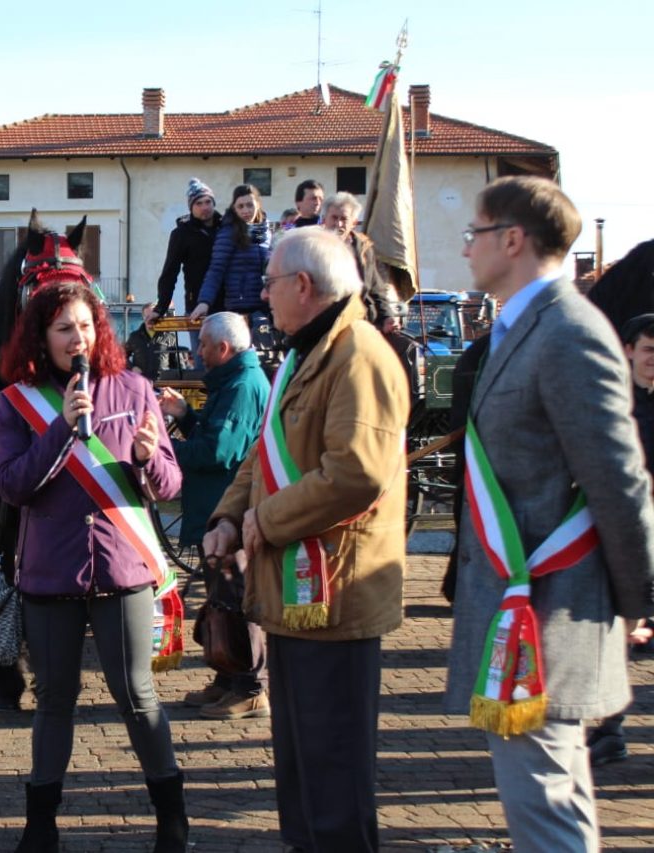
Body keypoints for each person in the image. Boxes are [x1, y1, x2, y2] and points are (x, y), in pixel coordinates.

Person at [444, 176, 654, 853]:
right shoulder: (518, 327)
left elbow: (617, 478)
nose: (466, 247)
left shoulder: (567, 330)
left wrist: (637, 598)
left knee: (547, 808)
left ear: (513, 239)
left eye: (476, 233)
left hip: (552, 610)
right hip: (521, 607)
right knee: (549, 801)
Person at [202, 227, 410, 852]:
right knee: (300, 772)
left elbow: (355, 472)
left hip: (337, 597)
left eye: (268, 283)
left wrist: (265, 521)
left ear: (302, 285)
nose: (262, 296)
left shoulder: (360, 354)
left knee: (334, 776)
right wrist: (229, 518)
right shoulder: (305, 352)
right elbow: (264, 457)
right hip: (295, 596)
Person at [0, 281, 188, 852]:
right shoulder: (15, 402)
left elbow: (170, 485)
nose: (77, 337)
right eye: (63, 329)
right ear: (41, 338)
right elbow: (10, 486)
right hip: (51, 574)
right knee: (54, 698)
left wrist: (150, 460)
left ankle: (171, 818)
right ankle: (41, 823)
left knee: (136, 693)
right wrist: (61, 429)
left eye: (84, 325)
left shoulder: (133, 388)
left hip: (122, 568)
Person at [157, 312, 269, 720]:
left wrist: (160, 452)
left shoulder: (241, 386)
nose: (197, 352)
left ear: (222, 349)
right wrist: (186, 414)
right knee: (222, 600)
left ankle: (251, 686)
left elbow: (217, 452)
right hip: (217, 508)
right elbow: (213, 437)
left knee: (235, 596)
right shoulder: (234, 381)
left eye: (202, 344)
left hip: (228, 511)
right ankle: (227, 677)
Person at [586, 313, 654, 766]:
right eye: (649, 350)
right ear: (629, 350)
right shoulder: (615, 402)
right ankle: (611, 728)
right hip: (631, 536)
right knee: (621, 637)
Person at [190, 184, 271, 321]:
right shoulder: (228, 232)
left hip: (265, 306)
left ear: (257, 204)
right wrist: (204, 302)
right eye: (240, 206)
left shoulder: (266, 231)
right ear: (234, 208)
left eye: (250, 205)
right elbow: (216, 269)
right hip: (239, 308)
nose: (246, 210)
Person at [154, 177, 221, 326]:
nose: (204, 207)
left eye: (208, 202)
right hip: (196, 306)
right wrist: (161, 307)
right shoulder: (181, 234)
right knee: (202, 349)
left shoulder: (225, 229)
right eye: (199, 203)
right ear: (191, 207)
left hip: (226, 306)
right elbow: (170, 272)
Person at [125, 301, 177, 381]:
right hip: (141, 384)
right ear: (143, 317)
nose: (149, 320)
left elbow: (177, 364)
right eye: (146, 317)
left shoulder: (169, 337)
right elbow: (121, 357)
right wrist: (132, 368)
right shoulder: (134, 337)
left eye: (152, 317)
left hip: (162, 386)